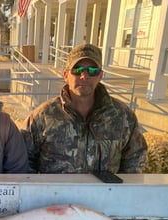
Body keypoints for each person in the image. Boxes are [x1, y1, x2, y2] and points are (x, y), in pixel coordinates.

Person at [22, 43, 148, 174]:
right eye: (77, 70)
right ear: (66, 75)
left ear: (100, 76)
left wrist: (118, 192)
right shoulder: (43, 116)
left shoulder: (123, 116)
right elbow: (24, 161)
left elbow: (135, 159)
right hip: (56, 194)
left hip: (104, 194)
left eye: (93, 71)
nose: (84, 76)